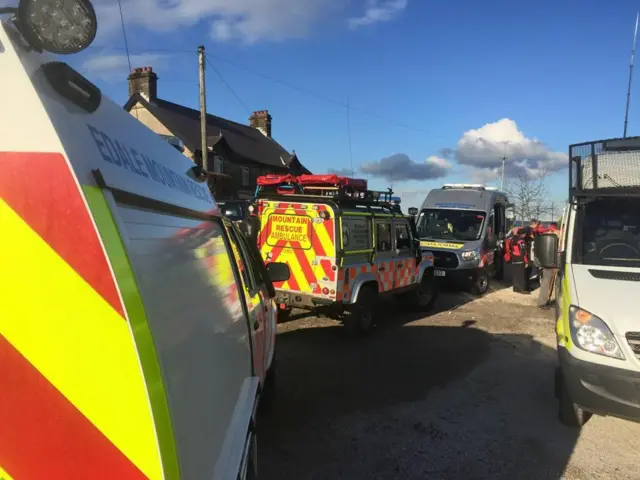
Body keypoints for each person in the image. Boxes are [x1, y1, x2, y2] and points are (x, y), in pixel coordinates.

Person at [537, 223, 561, 309]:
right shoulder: (555, 236)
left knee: (547, 283)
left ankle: (544, 301)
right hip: (551, 264)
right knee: (547, 284)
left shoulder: (545, 236)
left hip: (547, 263)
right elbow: (556, 252)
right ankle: (542, 303)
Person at [507, 227, 530, 294]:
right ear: (523, 234)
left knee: (515, 274)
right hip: (520, 259)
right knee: (521, 275)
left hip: (514, 258)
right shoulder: (521, 241)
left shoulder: (512, 239)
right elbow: (523, 252)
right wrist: (526, 261)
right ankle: (521, 289)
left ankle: (515, 288)